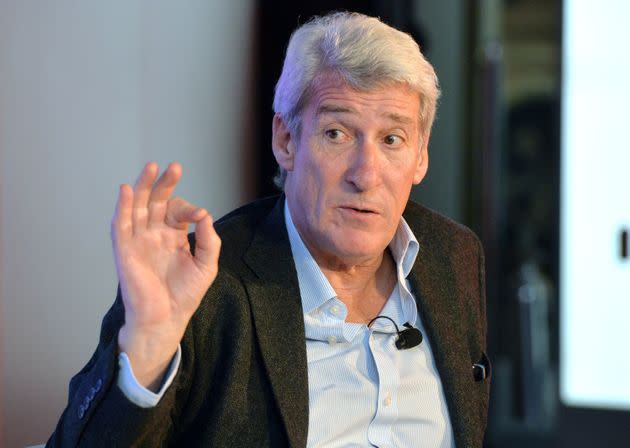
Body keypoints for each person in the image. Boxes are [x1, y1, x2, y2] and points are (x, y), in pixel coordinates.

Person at [47, 11, 490, 448]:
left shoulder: (453, 257)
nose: (366, 174)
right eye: (337, 133)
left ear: (421, 158)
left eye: (392, 139)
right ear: (286, 141)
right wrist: (147, 346)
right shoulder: (204, 286)